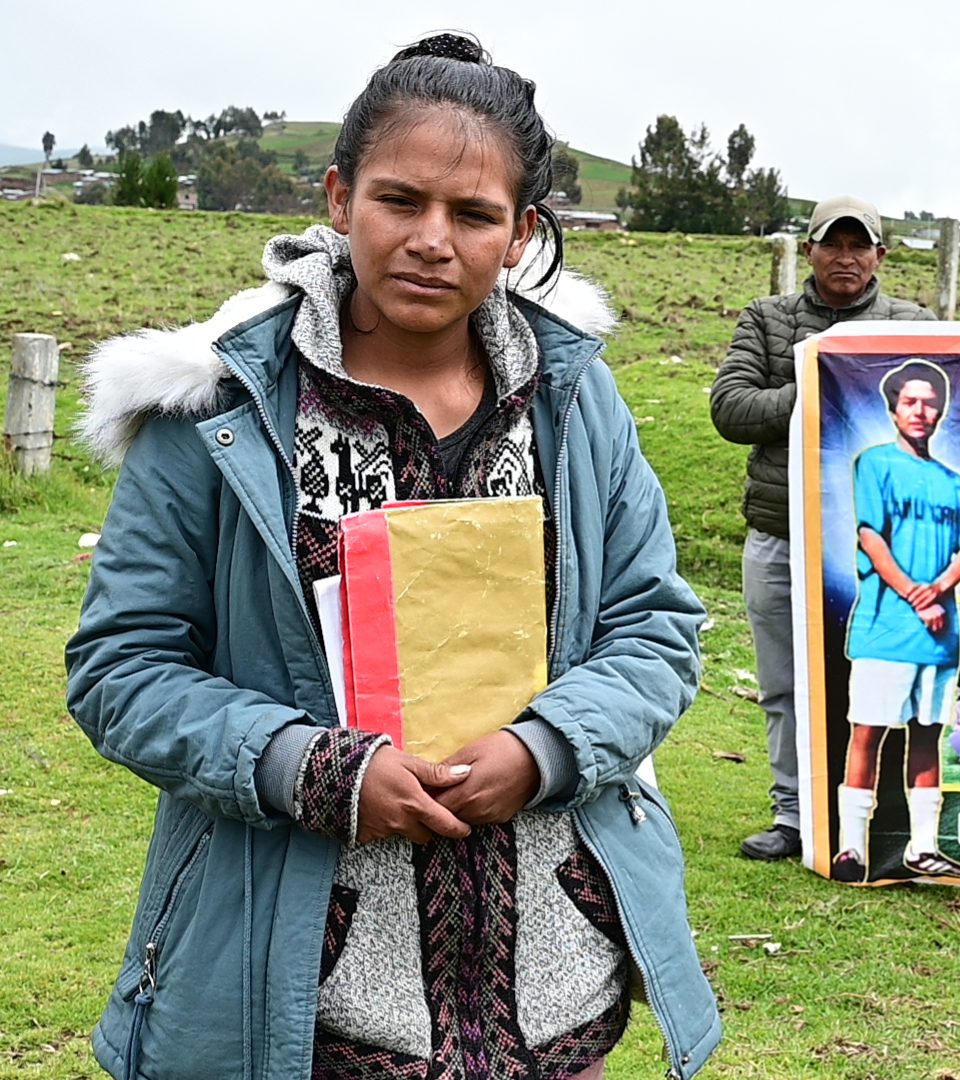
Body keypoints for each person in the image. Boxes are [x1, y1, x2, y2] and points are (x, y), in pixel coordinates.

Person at [65, 34, 719, 1080]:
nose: (431, 240)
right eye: (399, 200)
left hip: (550, 997)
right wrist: (315, 770)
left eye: (472, 215)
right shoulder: (220, 417)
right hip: (307, 1001)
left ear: (522, 235)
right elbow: (122, 669)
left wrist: (544, 749)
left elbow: (655, 628)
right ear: (337, 197)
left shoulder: (575, 405)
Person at [712, 194, 936, 862]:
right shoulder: (768, 319)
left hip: (881, 544)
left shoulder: (910, 324)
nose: (845, 257)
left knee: (885, 679)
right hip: (782, 534)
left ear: (879, 255)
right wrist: (819, 381)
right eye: (831, 245)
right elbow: (730, 408)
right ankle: (794, 815)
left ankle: (887, 813)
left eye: (858, 245)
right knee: (783, 682)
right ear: (809, 251)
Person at [835, 359, 960, 882]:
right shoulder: (874, 464)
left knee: (927, 736)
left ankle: (923, 848)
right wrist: (916, 596)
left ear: (940, 411)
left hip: (940, 635)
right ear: (894, 407)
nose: (921, 411)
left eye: (930, 402)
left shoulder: (952, 481)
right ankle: (851, 848)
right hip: (886, 625)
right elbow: (870, 536)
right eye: (911, 401)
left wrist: (938, 590)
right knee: (867, 733)